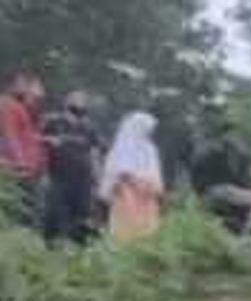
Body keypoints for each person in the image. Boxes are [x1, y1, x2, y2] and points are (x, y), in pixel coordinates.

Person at [39, 92, 100, 245]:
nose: (80, 104)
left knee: (81, 215)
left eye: (83, 101)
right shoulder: (53, 121)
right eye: (76, 100)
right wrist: (50, 140)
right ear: (67, 102)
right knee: (54, 212)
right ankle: (51, 246)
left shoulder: (89, 126)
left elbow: (95, 151)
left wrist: (96, 177)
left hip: (83, 179)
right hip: (57, 176)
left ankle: (78, 249)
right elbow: (37, 139)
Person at [100, 112, 164, 245]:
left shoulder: (150, 149)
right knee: (126, 232)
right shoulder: (123, 146)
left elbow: (154, 172)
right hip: (127, 194)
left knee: (147, 233)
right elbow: (119, 172)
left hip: (147, 195)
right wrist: (135, 183)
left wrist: (152, 188)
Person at [0, 72, 46, 228]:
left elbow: (27, 133)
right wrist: (19, 163)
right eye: (22, 84)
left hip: (28, 168)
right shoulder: (7, 104)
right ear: (11, 85)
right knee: (20, 211)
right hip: (18, 169)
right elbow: (10, 134)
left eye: (26, 84)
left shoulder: (19, 106)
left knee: (27, 210)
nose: (25, 88)